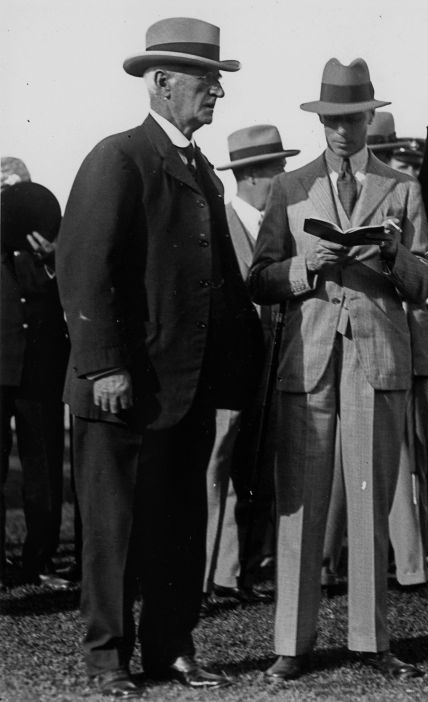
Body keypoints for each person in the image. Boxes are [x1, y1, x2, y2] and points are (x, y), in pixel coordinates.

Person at [57, 17, 264, 697]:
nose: (217, 95)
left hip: (186, 386)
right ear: (162, 82)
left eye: (217, 83)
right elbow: (82, 268)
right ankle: (106, 658)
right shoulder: (119, 158)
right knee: (114, 530)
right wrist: (102, 366)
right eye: (207, 82)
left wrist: (230, 375)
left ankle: (171, 650)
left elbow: (221, 285)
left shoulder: (198, 167)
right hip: (126, 385)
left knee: (180, 526)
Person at [248, 57, 428, 681]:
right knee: (299, 503)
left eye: (352, 118)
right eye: (331, 119)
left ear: (368, 117)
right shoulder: (290, 186)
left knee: (370, 498)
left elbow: (426, 280)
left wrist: (394, 252)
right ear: (321, 119)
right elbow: (260, 278)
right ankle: (291, 646)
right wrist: (307, 266)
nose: (341, 130)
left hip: (377, 359)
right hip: (310, 357)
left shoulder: (401, 187)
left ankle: (370, 642)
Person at [321, 113, 428, 601]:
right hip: (349, 335)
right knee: (348, 455)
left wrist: (404, 250)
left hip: (408, 340)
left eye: (398, 154)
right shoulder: (332, 191)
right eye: (391, 152)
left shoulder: (408, 194)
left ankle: (410, 562)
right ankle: (338, 561)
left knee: (413, 454)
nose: (397, 163)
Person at [201, 124, 298, 609]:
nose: (286, 176)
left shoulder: (280, 228)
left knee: (258, 471)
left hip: (273, 371)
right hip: (227, 372)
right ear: (258, 174)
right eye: (280, 169)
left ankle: (237, 570)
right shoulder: (214, 226)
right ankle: (205, 575)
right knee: (216, 468)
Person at [0, 174, 73, 591]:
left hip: (41, 370)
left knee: (43, 469)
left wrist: (53, 259)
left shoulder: (49, 241)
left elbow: (77, 290)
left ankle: (40, 561)